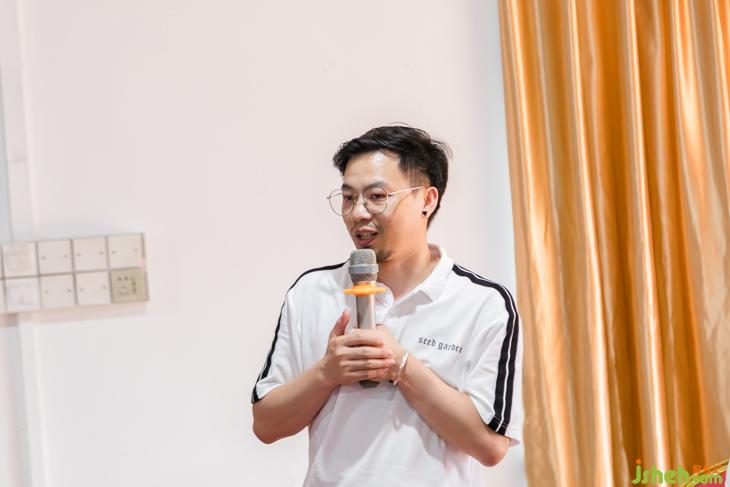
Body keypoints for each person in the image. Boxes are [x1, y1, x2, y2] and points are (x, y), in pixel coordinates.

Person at [251, 125, 523, 486]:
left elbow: (489, 446)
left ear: (427, 199)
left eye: (377, 196)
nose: (358, 213)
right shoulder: (312, 292)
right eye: (348, 198)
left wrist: (401, 365)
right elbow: (265, 425)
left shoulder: (482, 303)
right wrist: (326, 373)